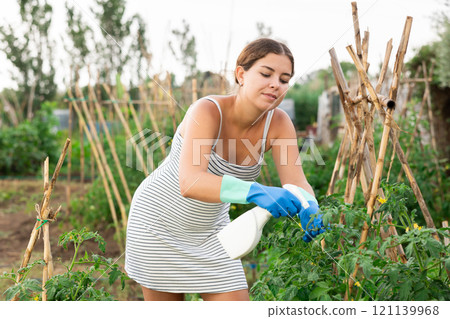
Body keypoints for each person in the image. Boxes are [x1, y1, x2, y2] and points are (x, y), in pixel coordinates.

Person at [125, 38, 325, 301]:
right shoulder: (208, 111)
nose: (276, 84)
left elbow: (296, 181)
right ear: (241, 74)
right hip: (158, 225)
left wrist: (311, 205)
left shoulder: (278, 123)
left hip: (211, 233)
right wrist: (256, 191)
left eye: (284, 79)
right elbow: (190, 182)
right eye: (266, 74)